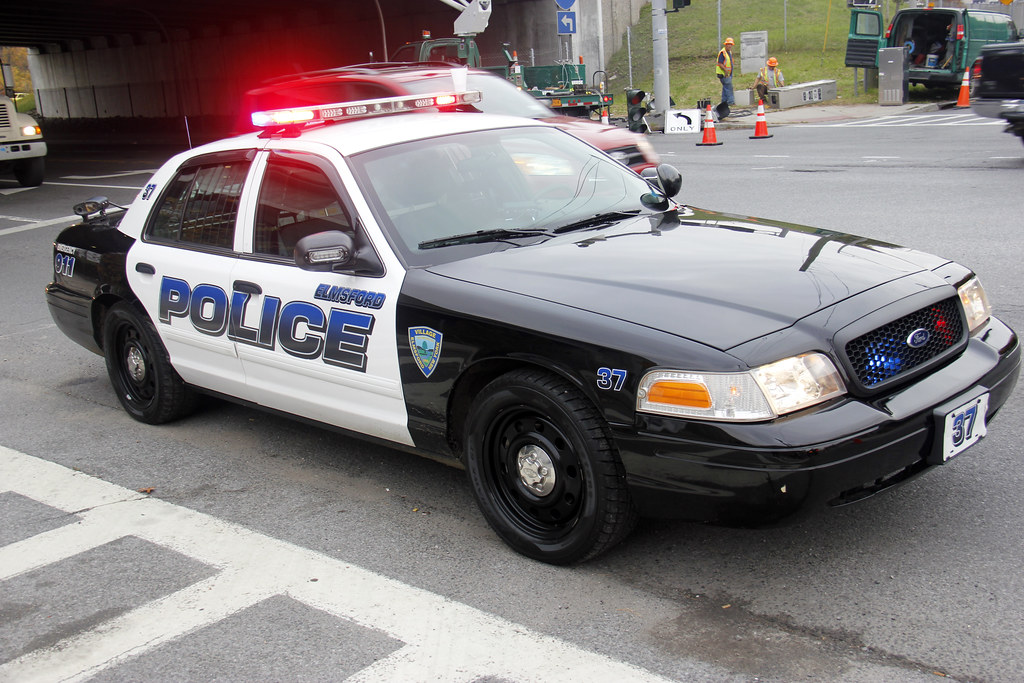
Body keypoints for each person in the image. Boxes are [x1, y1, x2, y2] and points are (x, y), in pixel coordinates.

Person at [716, 37, 735, 118]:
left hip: (727, 73)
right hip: (723, 74)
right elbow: (720, 63)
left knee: (725, 88)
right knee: (729, 87)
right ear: (725, 45)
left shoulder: (728, 52)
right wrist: (726, 70)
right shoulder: (722, 53)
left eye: (731, 44)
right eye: (728, 44)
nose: (730, 46)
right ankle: (730, 101)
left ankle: (724, 102)